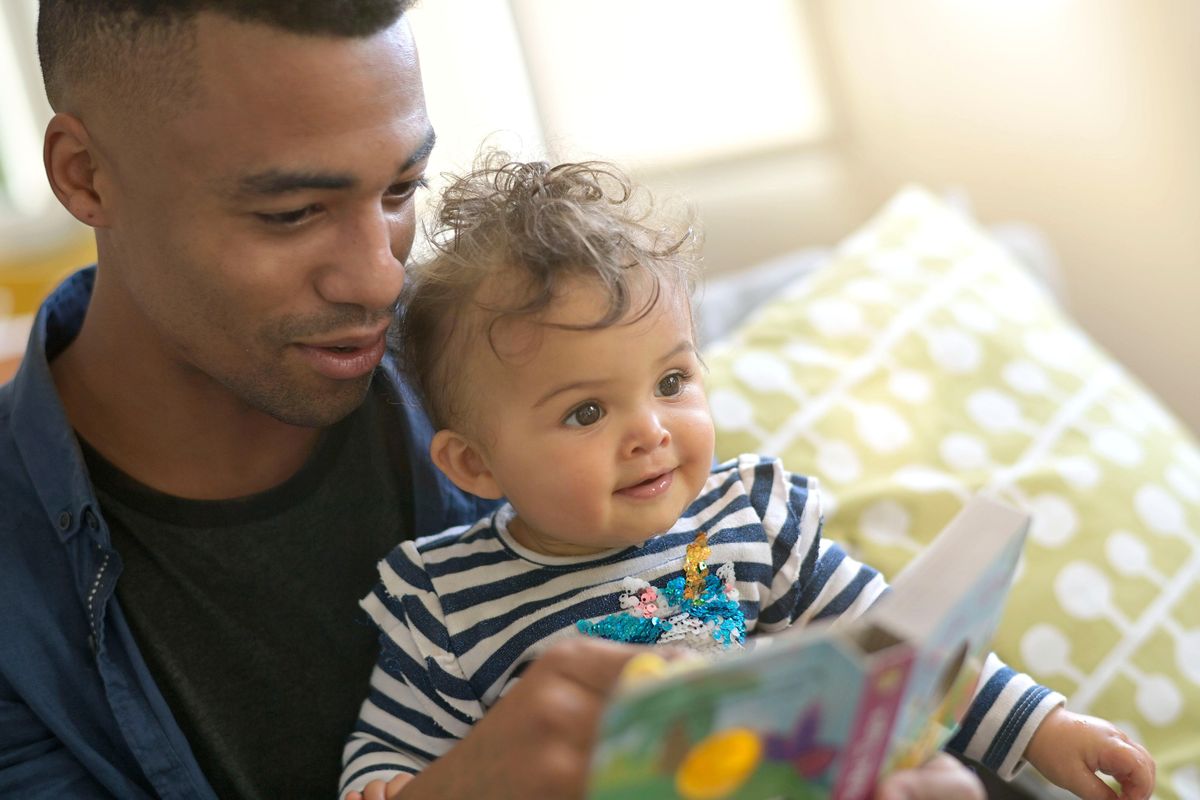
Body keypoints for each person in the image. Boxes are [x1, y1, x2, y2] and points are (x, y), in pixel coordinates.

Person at [0, 1, 1019, 798]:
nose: (379, 277)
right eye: (293, 211)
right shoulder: (19, 598)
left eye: (400, 190)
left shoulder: (517, 356)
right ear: (85, 175)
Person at [340, 158, 1156, 800]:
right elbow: (389, 758)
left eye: (670, 383)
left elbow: (904, 656)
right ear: (474, 464)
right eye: (587, 413)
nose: (651, 432)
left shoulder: (753, 521)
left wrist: (1049, 729)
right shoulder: (444, 604)